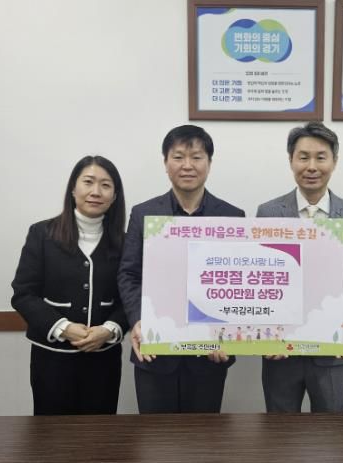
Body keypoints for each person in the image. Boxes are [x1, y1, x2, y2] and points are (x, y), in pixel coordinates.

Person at [118, 124, 245, 413]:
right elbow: (129, 274)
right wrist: (138, 320)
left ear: (209, 163)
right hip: (155, 351)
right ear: (166, 163)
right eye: (178, 157)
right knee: (155, 435)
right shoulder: (144, 213)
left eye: (196, 157)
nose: (187, 165)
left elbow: (238, 284)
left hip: (210, 354)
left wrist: (227, 334)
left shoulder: (232, 216)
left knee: (202, 435)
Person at [256, 122, 343, 412]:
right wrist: (265, 332)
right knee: (280, 429)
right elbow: (259, 278)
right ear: (291, 160)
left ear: (334, 161)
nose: (311, 166)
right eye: (303, 157)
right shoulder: (268, 212)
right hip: (280, 351)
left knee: (330, 430)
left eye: (321, 157)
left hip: (332, 350)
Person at [11, 155, 128, 415]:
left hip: (104, 360)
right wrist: (63, 328)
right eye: (88, 182)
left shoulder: (125, 242)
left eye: (105, 185)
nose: (96, 191)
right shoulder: (42, 234)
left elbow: (132, 297)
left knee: (100, 433)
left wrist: (109, 329)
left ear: (114, 196)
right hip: (51, 360)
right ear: (73, 189)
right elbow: (23, 294)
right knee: (52, 433)